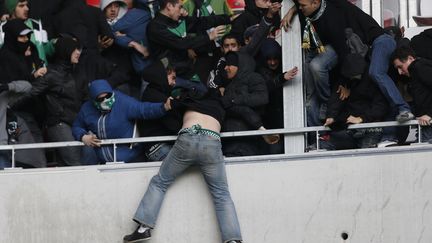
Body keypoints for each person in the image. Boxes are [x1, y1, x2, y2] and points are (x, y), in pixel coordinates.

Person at [123, 85, 243, 243]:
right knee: (221, 194)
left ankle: (143, 229)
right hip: (211, 141)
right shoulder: (219, 106)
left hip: (188, 137)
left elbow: (171, 120)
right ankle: (233, 240)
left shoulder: (188, 102)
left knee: (160, 182)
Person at [281, 0, 414, 125]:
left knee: (376, 73)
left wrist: (346, 83)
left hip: (380, 40)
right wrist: (292, 10)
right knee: (376, 79)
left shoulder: (335, 14)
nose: (300, 7)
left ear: (316, 3)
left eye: (302, 5)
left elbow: (344, 53)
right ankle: (399, 112)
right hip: (371, 49)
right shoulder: (329, 12)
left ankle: (404, 109)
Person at [10, 37, 83, 166]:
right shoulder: (51, 74)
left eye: (79, 49)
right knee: (75, 164)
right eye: (75, 49)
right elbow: (30, 93)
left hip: (75, 122)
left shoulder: (76, 71)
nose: (79, 52)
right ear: (65, 51)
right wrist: (7, 106)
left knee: (68, 165)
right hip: (58, 123)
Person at [72, 79, 172, 164]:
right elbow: (77, 126)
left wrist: (163, 107)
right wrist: (83, 136)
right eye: (101, 99)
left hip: (131, 161)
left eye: (108, 96)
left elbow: (144, 109)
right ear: (93, 101)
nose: (106, 100)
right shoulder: (86, 108)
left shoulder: (124, 102)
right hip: (103, 164)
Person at [147, 0, 234, 81]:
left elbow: (201, 22)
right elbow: (181, 43)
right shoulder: (155, 27)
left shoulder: (178, 20)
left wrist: (227, 19)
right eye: (180, 7)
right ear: (169, 6)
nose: (181, 11)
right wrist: (209, 37)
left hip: (186, 70)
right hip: (169, 76)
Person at [320, 53, 389, 150]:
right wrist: (331, 116)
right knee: (322, 146)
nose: (351, 78)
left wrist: (361, 118)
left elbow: (381, 106)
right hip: (348, 128)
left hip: (370, 128)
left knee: (366, 157)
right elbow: (337, 97)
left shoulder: (373, 78)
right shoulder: (346, 77)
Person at [391, 47, 432, 143]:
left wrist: (430, 114)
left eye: (400, 67)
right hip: (425, 125)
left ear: (410, 58)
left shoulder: (420, 67)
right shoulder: (418, 70)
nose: (400, 72)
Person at [101, 0, 152, 74]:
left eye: (116, 6)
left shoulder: (131, 16)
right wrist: (134, 43)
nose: (113, 10)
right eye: (109, 6)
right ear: (104, 8)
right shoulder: (101, 24)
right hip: (116, 68)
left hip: (147, 58)